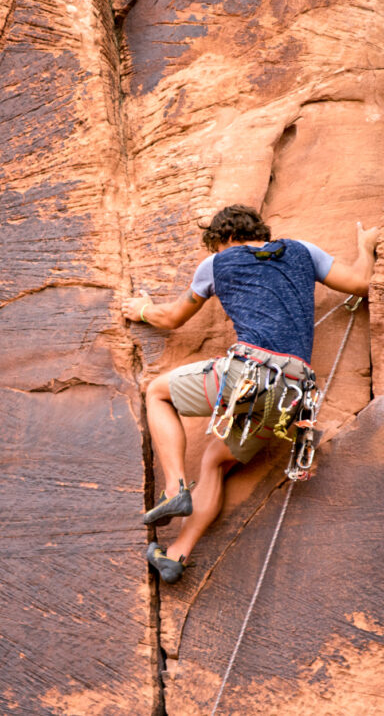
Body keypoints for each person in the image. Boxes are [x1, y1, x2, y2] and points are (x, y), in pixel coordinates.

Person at [121, 205, 378, 584]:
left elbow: (171, 318)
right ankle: (176, 555)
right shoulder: (303, 251)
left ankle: (175, 487)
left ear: (222, 239)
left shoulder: (216, 264)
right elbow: (359, 283)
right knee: (214, 462)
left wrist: (142, 309)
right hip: (294, 396)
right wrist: (366, 247)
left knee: (158, 393)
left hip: (249, 374)